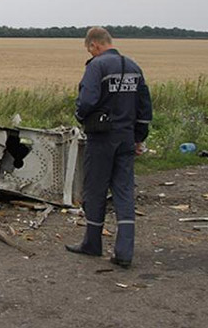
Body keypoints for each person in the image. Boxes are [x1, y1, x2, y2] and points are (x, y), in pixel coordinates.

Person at [67, 27, 153, 268]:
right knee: (124, 192)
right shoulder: (134, 67)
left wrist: (81, 115)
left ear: (94, 45)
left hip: (102, 138)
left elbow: (87, 101)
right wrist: (139, 137)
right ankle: (124, 251)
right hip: (126, 137)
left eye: (89, 50)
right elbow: (145, 108)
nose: (91, 53)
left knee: (95, 189)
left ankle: (92, 244)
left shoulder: (97, 66)